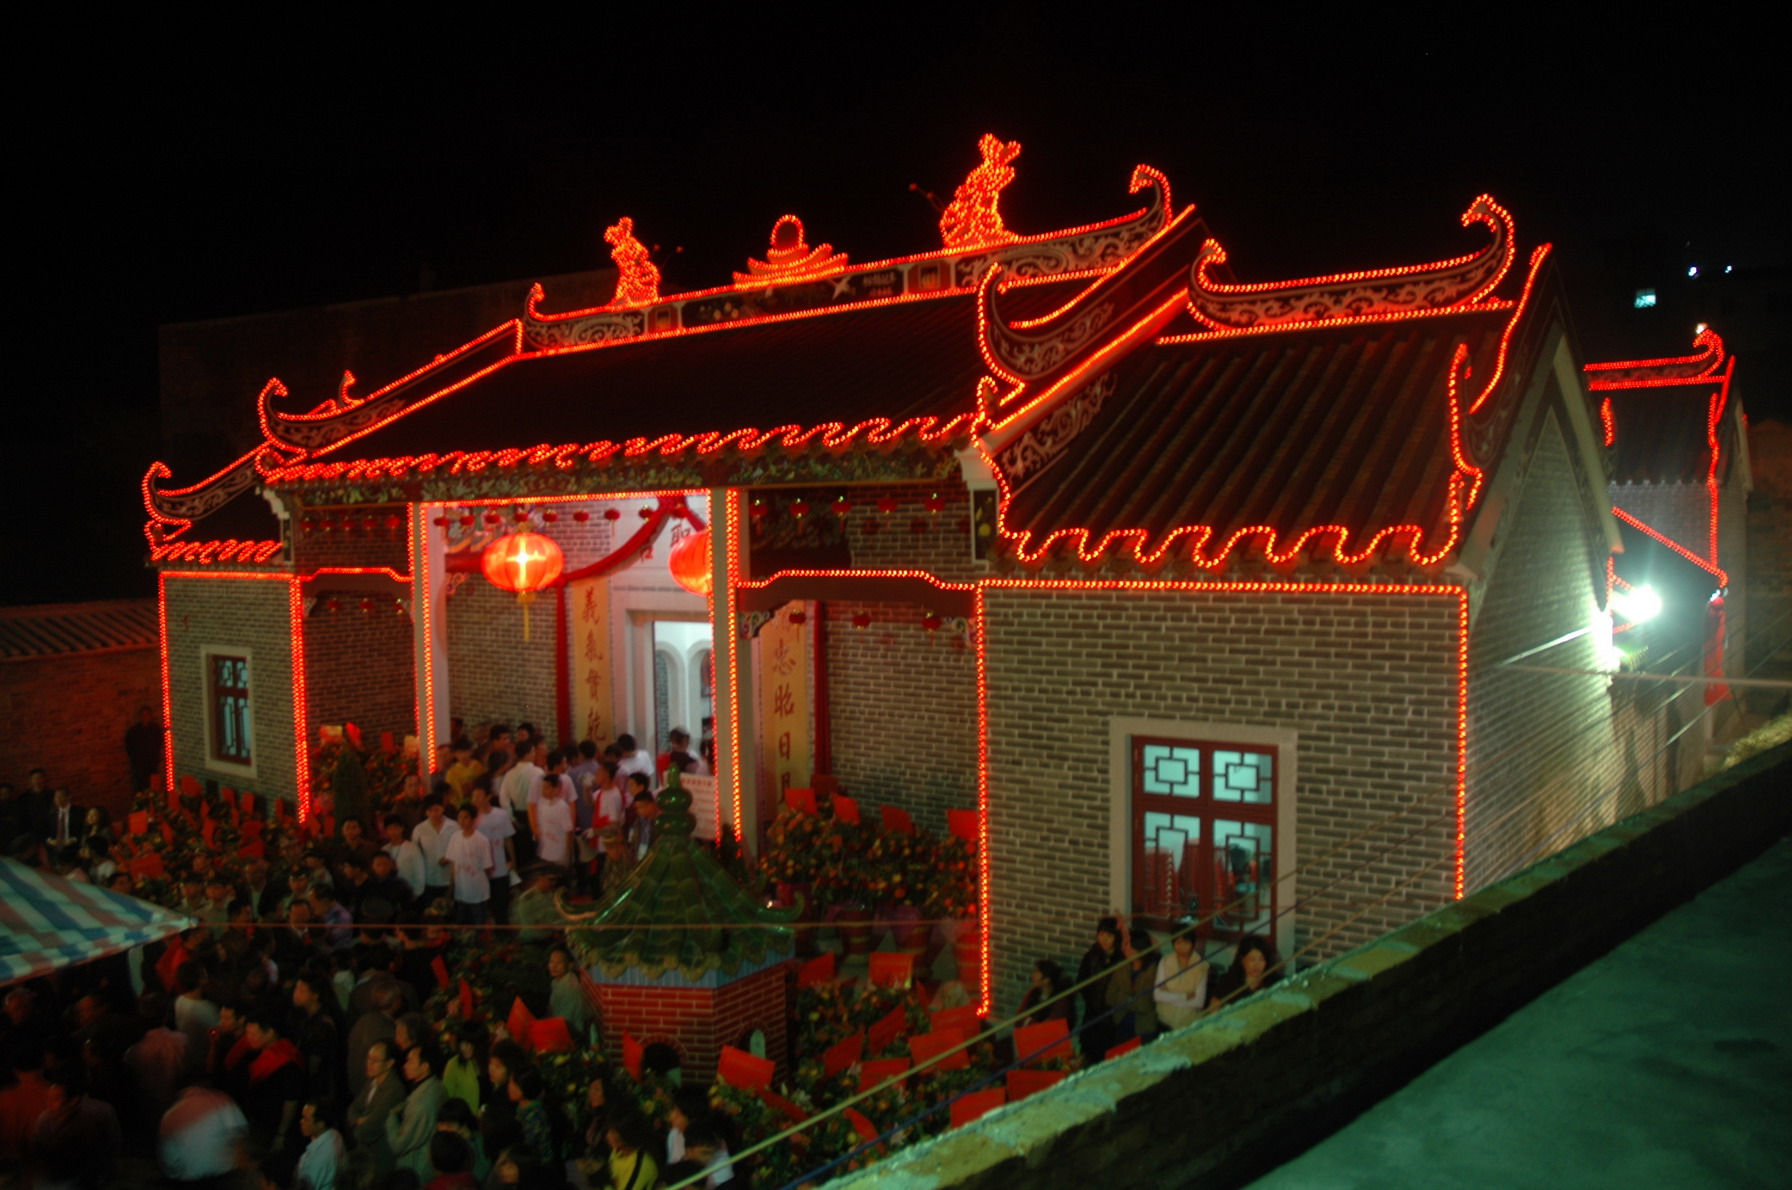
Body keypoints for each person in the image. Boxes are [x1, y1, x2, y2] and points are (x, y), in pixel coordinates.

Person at [32, 1065, 122, 1190]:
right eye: (48, 1098)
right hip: (57, 1177)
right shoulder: (45, 1118)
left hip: (91, 1176)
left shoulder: (97, 1113)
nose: (49, 1103)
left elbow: (111, 1147)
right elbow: (38, 1151)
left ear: (73, 1101)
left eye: (55, 1099)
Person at [158, 1078, 250, 1186]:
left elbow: (169, 1161)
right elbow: (240, 1134)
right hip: (223, 1176)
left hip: (188, 1180)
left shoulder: (170, 1115)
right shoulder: (222, 1100)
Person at [346, 1040, 406, 1183]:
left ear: (390, 1063)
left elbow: (369, 1129)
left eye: (375, 1060)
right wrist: (358, 1120)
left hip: (379, 1158)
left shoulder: (393, 1091)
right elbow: (353, 1108)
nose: (369, 1064)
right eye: (368, 1058)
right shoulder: (372, 1081)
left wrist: (357, 1124)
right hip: (365, 1156)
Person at [386, 1042, 447, 1179]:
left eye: (410, 1061)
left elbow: (399, 1144)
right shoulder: (438, 1086)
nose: (405, 1065)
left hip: (417, 1168)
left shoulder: (421, 1105)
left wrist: (391, 1117)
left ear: (425, 1067)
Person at [1075, 916, 1123, 1060]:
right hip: (1092, 1014)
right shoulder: (1091, 956)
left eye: (1109, 936)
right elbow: (1082, 982)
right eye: (1101, 935)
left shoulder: (1121, 959)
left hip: (1112, 1018)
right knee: (1088, 1053)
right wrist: (1092, 1001)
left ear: (1116, 937)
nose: (1104, 940)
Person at [443, 805, 496, 925]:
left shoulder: (482, 840)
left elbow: (487, 867)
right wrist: (451, 885)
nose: (462, 820)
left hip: (478, 892)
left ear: (472, 819)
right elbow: (453, 863)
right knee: (462, 924)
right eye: (460, 817)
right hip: (461, 891)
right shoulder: (455, 838)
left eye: (466, 817)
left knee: (479, 924)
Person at [1107, 928, 1160, 1045]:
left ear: (1139, 948)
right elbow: (1110, 997)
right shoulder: (1122, 967)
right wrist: (1132, 999)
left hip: (1144, 1029)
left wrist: (1123, 998)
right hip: (1122, 1024)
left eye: (1128, 945)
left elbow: (1145, 1004)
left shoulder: (1153, 971)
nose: (1125, 949)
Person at [472, 785, 516, 925]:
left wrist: (513, 861)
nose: (475, 799)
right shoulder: (472, 819)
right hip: (480, 871)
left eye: (479, 796)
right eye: (474, 796)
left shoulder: (501, 815)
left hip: (500, 868)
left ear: (488, 797)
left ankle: (502, 931)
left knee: (501, 905)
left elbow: (507, 839)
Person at [1153, 930, 1210, 1030]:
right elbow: (1157, 996)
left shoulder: (1202, 966)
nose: (1182, 946)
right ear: (1173, 944)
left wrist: (1168, 996)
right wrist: (1185, 996)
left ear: (1193, 944)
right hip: (1164, 1021)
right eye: (1178, 943)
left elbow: (1198, 1002)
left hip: (1189, 1024)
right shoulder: (1165, 961)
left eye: (1186, 942)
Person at [1211, 933, 1282, 1004]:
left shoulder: (1275, 982)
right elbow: (1214, 1008)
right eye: (1252, 959)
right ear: (1242, 960)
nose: (1257, 965)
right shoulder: (1228, 981)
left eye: (1262, 960)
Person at [293, 1096, 346, 1190]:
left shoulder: (319, 1158)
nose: (301, 1122)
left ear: (320, 1124)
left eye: (305, 1119)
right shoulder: (335, 1135)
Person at [529, 767, 575, 870]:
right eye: (543, 787)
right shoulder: (541, 804)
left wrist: (567, 855)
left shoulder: (562, 807)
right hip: (545, 854)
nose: (543, 791)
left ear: (556, 789)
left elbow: (568, 831)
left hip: (559, 856)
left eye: (547, 788)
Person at [412, 796, 454, 902]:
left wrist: (449, 857)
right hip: (429, 879)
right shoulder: (419, 829)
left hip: (450, 878)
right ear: (426, 812)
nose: (434, 814)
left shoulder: (454, 827)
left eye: (436, 810)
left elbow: (460, 849)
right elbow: (415, 853)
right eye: (430, 810)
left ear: (442, 809)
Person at [604, 1108, 657, 1190]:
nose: (608, 1136)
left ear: (626, 1133)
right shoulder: (617, 1152)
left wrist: (606, 1185)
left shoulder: (642, 1164)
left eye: (613, 1132)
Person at [1018, 959, 1072, 1028]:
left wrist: (1028, 1021)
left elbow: (1048, 1028)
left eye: (1037, 973)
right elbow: (1018, 1017)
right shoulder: (1032, 993)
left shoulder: (1060, 1001)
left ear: (1046, 980)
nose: (1033, 976)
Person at [384, 819, 428, 901]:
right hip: (390, 892)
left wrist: (417, 892)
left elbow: (419, 871)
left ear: (402, 828)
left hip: (409, 891)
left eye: (396, 828)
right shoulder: (385, 849)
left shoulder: (412, 848)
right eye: (390, 829)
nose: (393, 832)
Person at [126, 705, 163, 792]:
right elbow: (130, 746)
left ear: (151, 716)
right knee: (141, 785)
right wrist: (136, 758)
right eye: (143, 714)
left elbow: (159, 743)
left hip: (152, 763)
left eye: (147, 714)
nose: (145, 717)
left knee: (154, 785)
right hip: (139, 765)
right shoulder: (134, 731)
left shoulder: (156, 730)